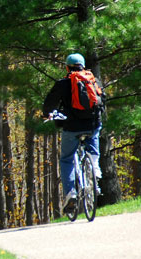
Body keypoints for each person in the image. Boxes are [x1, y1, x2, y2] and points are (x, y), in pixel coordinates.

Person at [42, 53, 104, 214]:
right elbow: (102, 101)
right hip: (92, 124)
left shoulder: (63, 83)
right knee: (94, 137)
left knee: (66, 159)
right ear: (83, 65)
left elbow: (50, 102)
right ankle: (95, 169)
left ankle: (70, 193)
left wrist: (47, 113)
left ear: (67, 67)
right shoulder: (93, 80)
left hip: (72, 127)